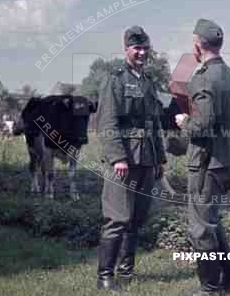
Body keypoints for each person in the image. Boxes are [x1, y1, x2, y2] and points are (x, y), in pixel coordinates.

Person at [175, 18, 230, 295]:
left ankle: (210, 289)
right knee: (213, 220)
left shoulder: (202, 79)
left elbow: (202, 126)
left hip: (208, 162)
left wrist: (184, 121)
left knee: (201, 227)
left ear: (197, 46)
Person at [96, 25, 167, 290]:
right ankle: (105, 277)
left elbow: (154, 122)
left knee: (137, 218)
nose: (142, 53)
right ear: (126, 49)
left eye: (145, 48)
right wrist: (117, 158)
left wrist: (160, 158)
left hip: (146, 158)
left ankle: (126, 273)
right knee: (117, 218)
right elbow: (107, 121)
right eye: (136, 48)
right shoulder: (114, 79)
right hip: (124, 160)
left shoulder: (148, 81)